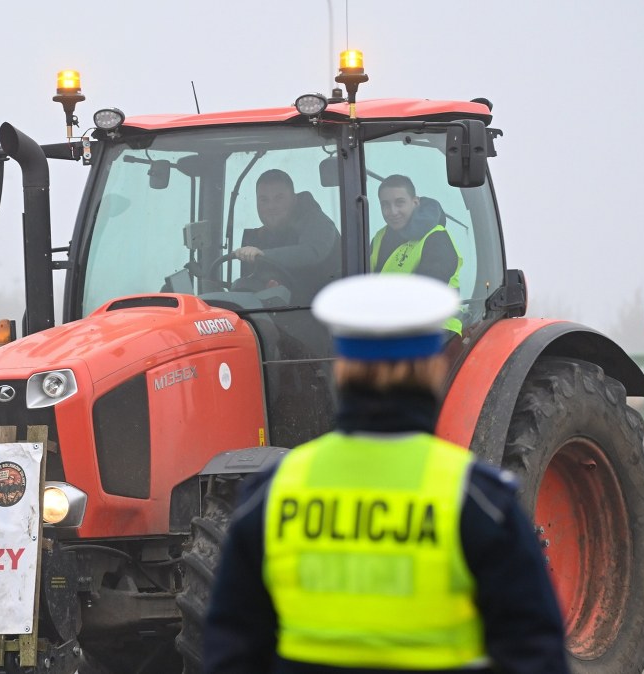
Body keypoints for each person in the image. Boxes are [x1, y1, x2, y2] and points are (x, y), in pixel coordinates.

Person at [203, 274, 569, 674]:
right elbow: (536, 655)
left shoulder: (272, 495)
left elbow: (230, 653)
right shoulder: (478, 502)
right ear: (431, 369)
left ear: (341, 369)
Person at [232, 169, 340, 303]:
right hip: (276, 318)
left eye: (279, 198)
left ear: (294, 199)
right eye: (264, 200)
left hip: (328, 314)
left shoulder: (319, 223)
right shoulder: (259, 238)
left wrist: (263, 255)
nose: (271, 206)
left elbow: (311, 252)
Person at [371, 175, 461, 286]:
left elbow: (427, 295)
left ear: (416, 202)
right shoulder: (380, 237)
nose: (393, 211)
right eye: (385, 205)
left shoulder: (437, 238)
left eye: (399, 203)